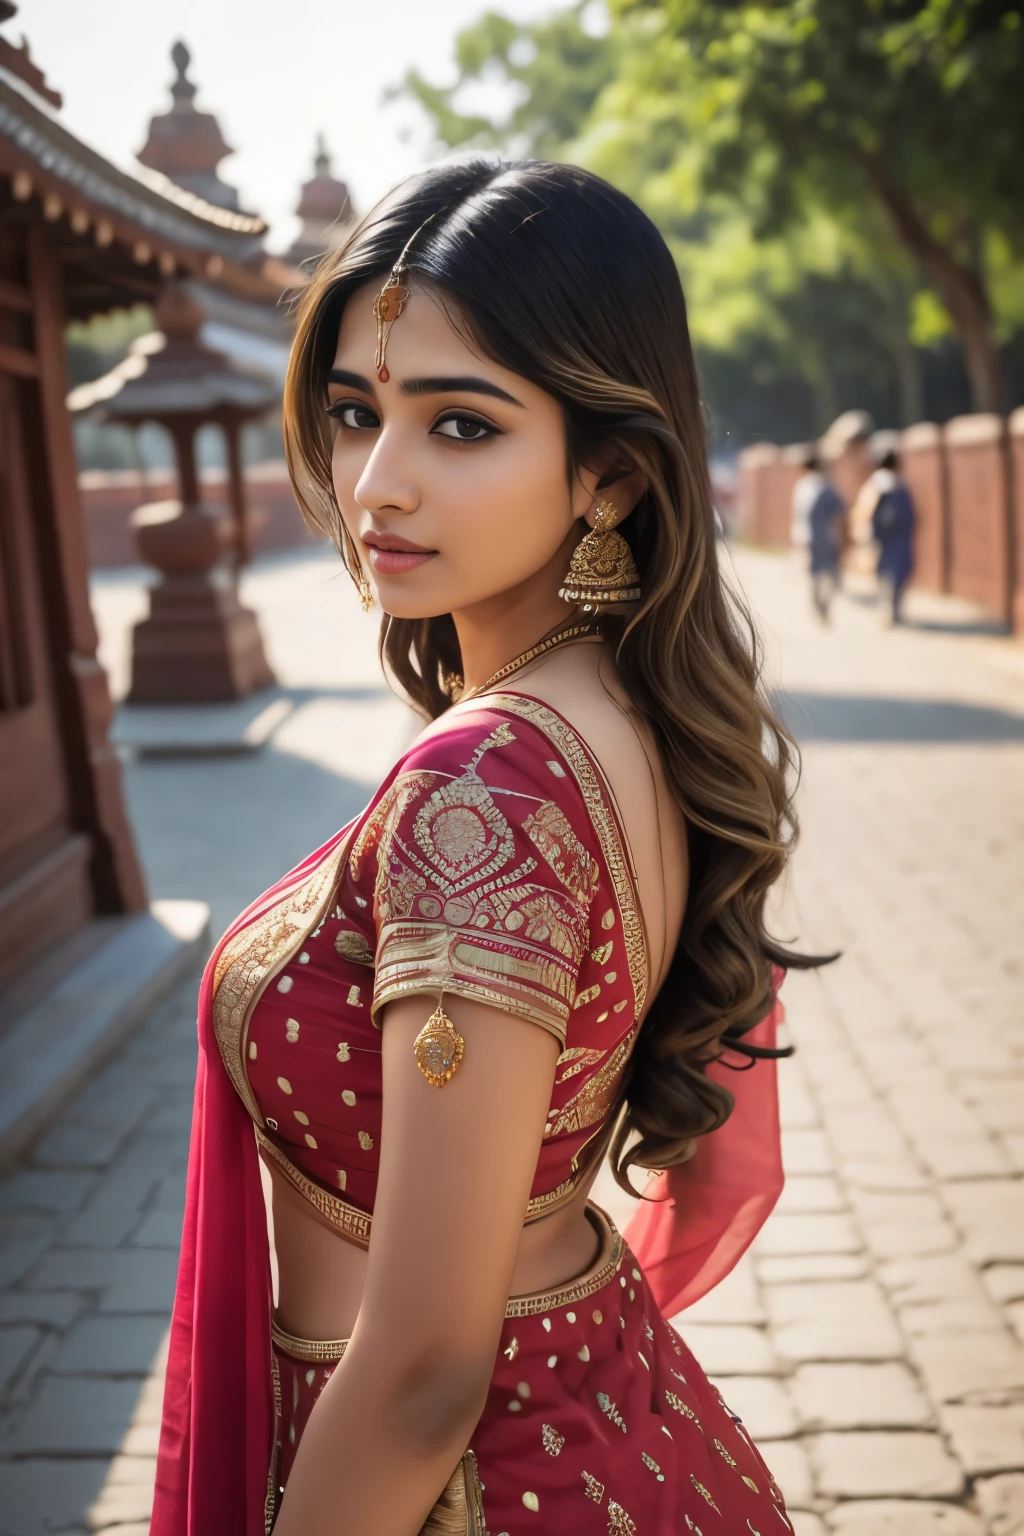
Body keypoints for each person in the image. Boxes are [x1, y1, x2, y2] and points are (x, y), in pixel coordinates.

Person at [152, 160, 816, 1536]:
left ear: (610, 478)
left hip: (458, 1483)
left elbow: (420, 1372)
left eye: (460, 424)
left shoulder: (490, 783)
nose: (375, 486)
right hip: (605, 1398)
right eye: (353, 413)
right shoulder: (624, 707)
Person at [791, 447, 845, 622]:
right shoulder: (824, 486)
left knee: (813, 574)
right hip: (824, 536)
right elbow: (838, 512)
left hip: (804, 535)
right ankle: (824, 604)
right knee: (829, 573)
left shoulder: (801, 486)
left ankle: (817, 604)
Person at [870, 449, 916, 625]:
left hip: (893, 536)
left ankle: (890, 610)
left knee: (888, 574)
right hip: (891, 536)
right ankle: (890, 610)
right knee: (893, 574)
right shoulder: (886, 483)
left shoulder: (892, 482)